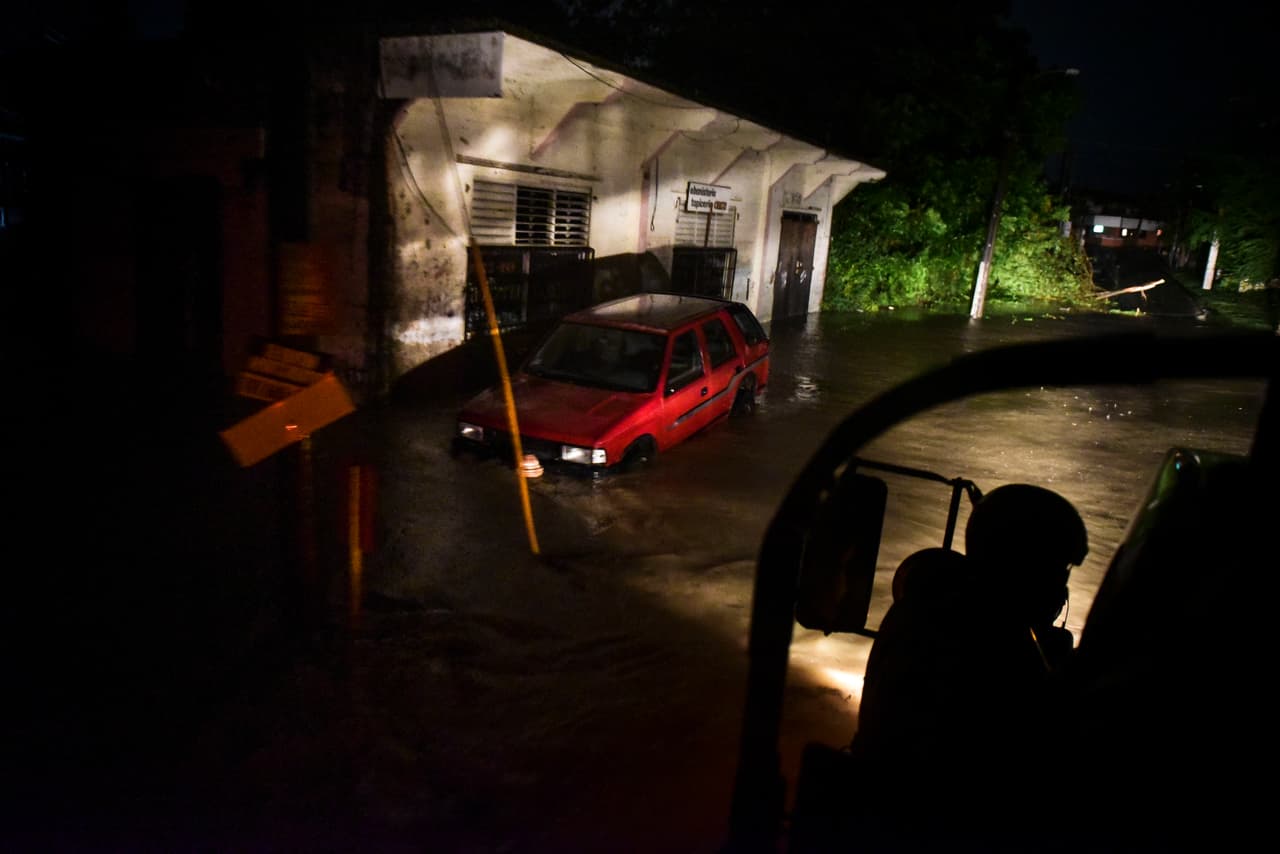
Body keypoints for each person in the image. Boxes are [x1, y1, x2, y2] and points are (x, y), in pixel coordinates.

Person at [843, 484, 1088, 848]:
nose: (1060, 588)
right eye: (1057, 569)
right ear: (1023, 564)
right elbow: (1033, 755)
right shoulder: (987, 640)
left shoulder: (932, 609)